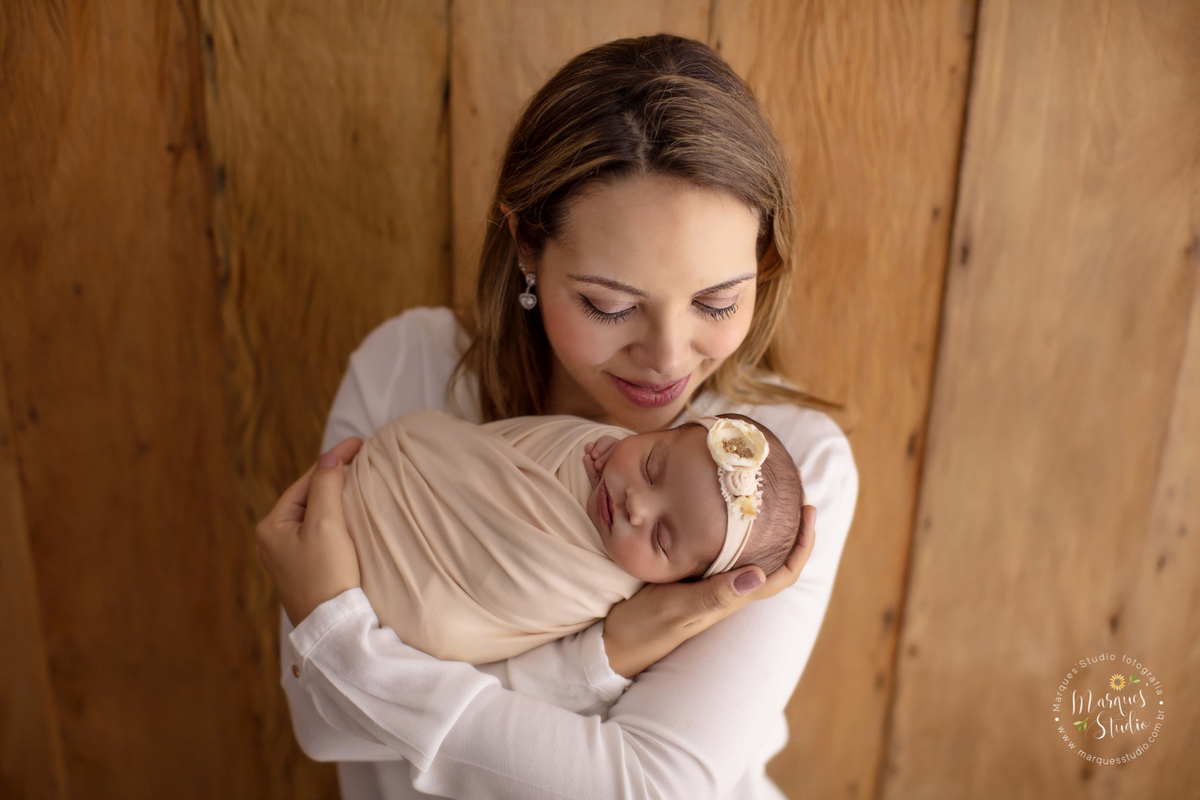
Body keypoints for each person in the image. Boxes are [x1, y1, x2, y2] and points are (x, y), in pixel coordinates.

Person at [256, 33, 858, 799]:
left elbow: (647, 788)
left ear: (763, 262)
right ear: (527, 248)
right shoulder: (407, 369)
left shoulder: (783, 483)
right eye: (609, 304)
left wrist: (348, 649)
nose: (669, 357)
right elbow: (321, 724)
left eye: (717, 301)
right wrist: (608, 655)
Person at [341, 409, 804, 664]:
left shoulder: (614, 593)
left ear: (679, 583)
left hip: (411, 593)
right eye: (651, 467)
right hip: (398, 476)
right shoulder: (596, 445)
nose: (635, 505)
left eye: (662, 539)